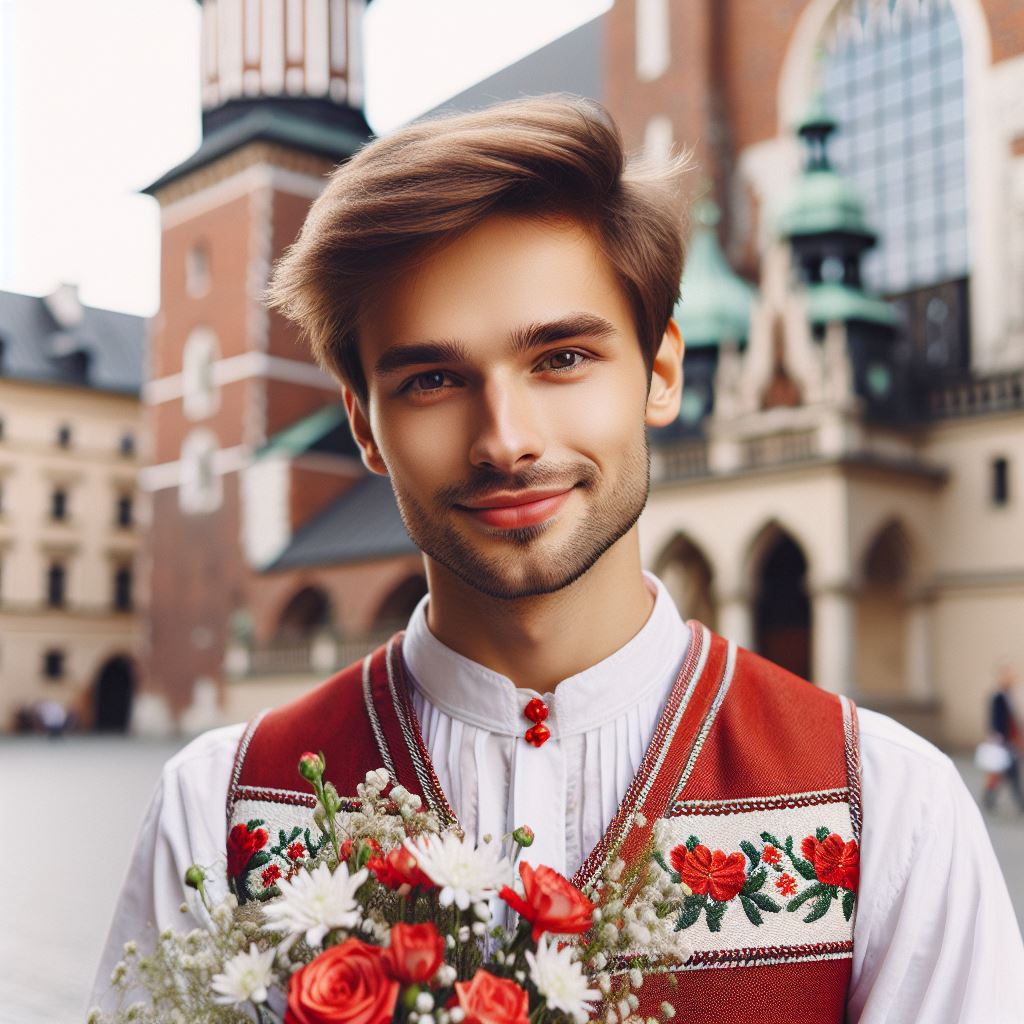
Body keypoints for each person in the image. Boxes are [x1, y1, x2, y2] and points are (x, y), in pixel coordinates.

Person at [92, 97, 1024, 1022]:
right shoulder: (218, 810)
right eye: (431, 380)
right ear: (363, 426)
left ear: (661, 373)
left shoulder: (890, 809)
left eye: (563, 358)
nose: (506, 441)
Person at [982, 664, 1024, 812]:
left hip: (1009, 742)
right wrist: (997, 737)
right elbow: (996, 719)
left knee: (1006, 774)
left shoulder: (1008, 696)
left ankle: (991, 797)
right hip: (1003, 742)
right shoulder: (998, 697)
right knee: (1006, 773)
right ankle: (992, 798)